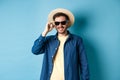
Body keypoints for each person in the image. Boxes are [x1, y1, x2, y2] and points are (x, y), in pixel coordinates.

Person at [31, 8, 89, 80]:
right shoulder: (49, 40)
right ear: (54, 25)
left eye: (63, 22)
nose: (60, 25)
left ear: (67, 23)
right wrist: (45, 32)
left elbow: (84, 64)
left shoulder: (77, 40)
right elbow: (35, 50)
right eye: (57, 23)